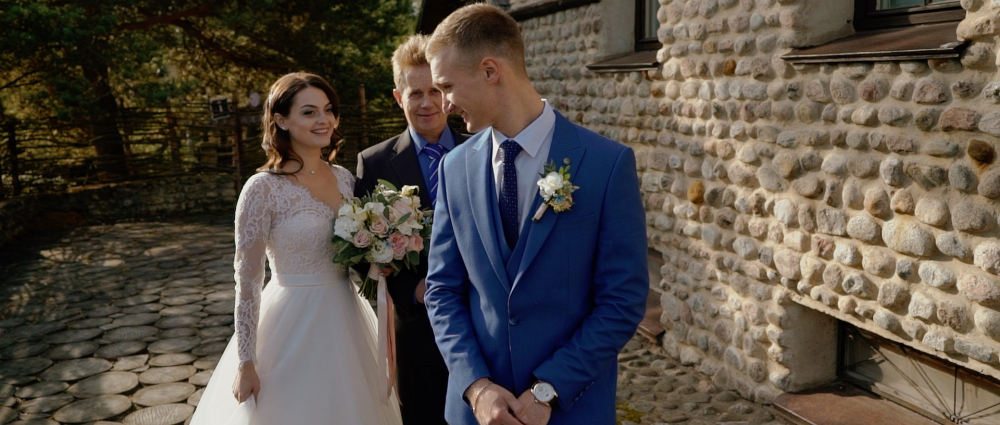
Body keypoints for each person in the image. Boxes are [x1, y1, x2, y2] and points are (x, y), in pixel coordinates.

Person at [422, 4, 650, 425]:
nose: (444, 104)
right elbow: (442, 290)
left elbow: (622, 299)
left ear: (490, 71)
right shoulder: (454, 167)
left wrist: (549, 389)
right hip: (478, 413)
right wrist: (477, 387)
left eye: (447, 86)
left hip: (571, 409)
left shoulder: (606, 164)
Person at [190, 72, 402, 425]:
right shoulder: (261, 189)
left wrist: (382, 255)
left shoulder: (345, 178)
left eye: (328, 110)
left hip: (345, 317)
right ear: (281, 120)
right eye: (309, 112)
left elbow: (358, 247)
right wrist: (245, 362)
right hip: (290, 322)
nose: (323, 120)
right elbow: (247, 280)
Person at [355, 34, 468, 425]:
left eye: (435, 90)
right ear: (397, 97)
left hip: (484, 325)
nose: (427, 103)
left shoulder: (483, 148)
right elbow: (361, 251)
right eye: (415, 93)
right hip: (418, 333)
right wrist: (412, 291)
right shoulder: (374, 163)